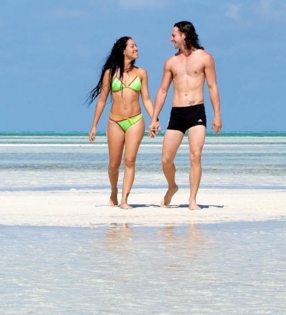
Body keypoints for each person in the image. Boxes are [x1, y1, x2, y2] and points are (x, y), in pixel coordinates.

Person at [149, 21, 222, 210]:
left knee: (195, 155)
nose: (171, 39)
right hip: (177, 113)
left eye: (174, 35)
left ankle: (192, 199)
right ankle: (172, 186)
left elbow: (212, 86)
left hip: (196, 110)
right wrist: (154, 118)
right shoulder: (171, 62)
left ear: (184, 35)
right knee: (166, 159)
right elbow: (163, 90)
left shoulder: (205, 58)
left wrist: (217, 114)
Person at [88, 37, 156, 209]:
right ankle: (113, 191)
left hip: (135, 120)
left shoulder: (141, 73)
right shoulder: (109, 73)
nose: (136, 48)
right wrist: (94, 125)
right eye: (132, 46)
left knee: (130, 160)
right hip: (115, 121)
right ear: (123, 50)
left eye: (136, 45)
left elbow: (146, 99)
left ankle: (125, 199)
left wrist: (154, 119)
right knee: (113, 164)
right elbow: (102, 100)